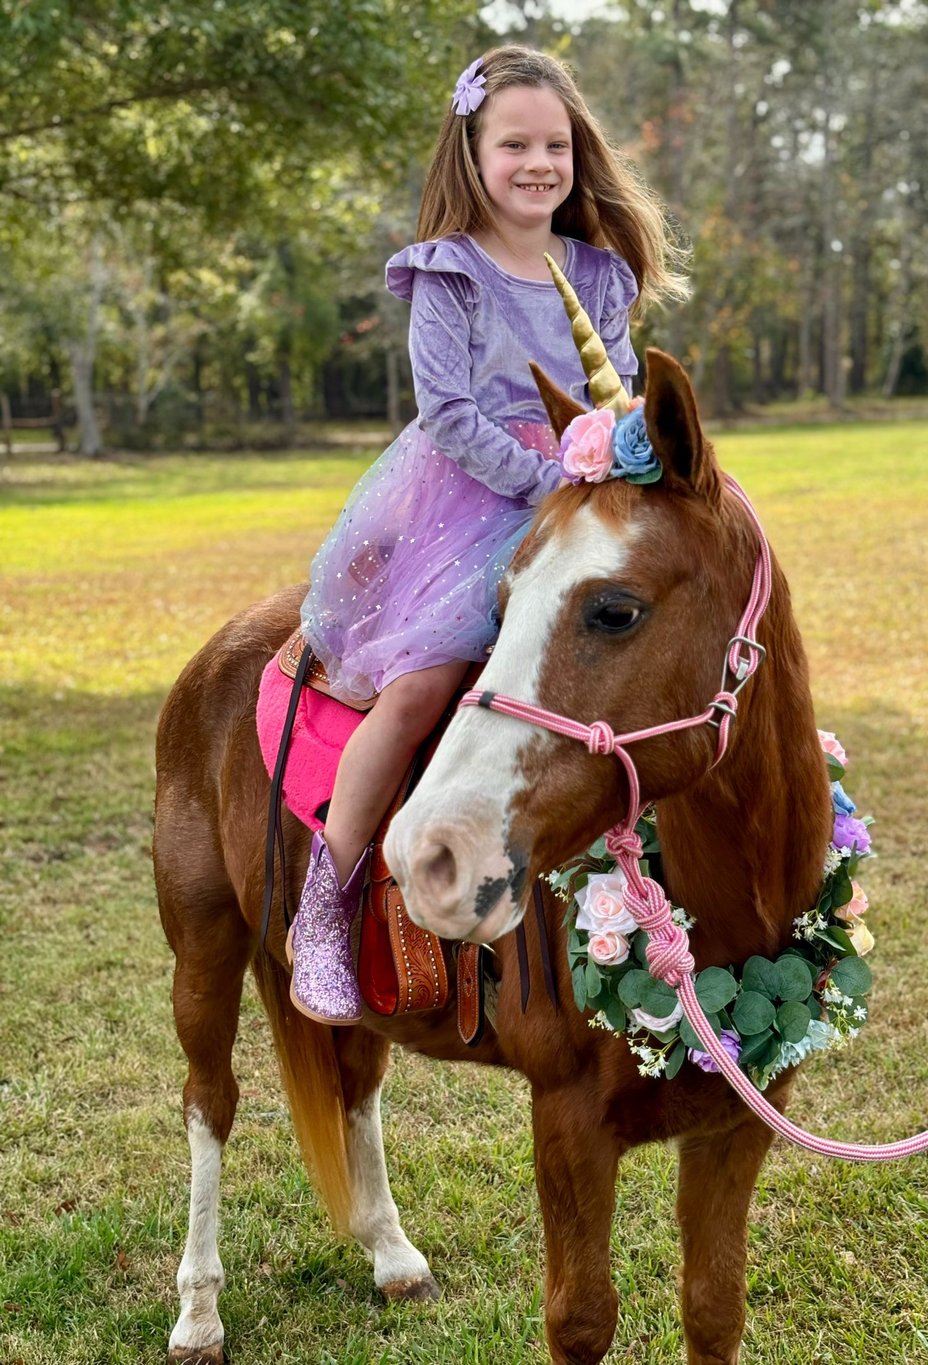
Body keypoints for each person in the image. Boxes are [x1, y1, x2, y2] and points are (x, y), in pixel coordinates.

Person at [288, 44, 685, 1024]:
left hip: (583, 488)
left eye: (554, 144)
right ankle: (324, 902)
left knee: (664, 640)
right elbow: (450, 414)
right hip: (471, 500)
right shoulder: (447, 273)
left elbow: (618, 391)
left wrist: (631, 452)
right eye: (514, 145)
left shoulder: (596, 271)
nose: (537, 164)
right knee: (426, 680)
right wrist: (553, 474)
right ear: (472, 153)